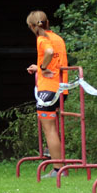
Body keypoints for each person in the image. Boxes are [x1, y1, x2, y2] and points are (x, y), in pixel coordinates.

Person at [25, 10, 68, 179]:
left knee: (49, 129)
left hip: (48, 90)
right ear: (47, 22)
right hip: (61, 88)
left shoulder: (42, 39)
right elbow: (57, 62)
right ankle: (58, 166)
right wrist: (40, 67)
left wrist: (42, 68)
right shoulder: (58, 38)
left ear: (31, 26)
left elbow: (49, 53)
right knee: (53, 129)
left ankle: (58, 169)